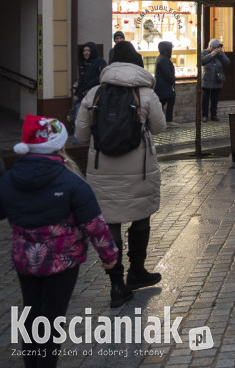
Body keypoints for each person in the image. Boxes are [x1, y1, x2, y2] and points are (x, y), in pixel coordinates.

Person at [0, 116, 119, 367]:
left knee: (31, 314)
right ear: (59, 145)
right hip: (61, 265)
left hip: (25, 262)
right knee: (51, 319)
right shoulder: (71, 182)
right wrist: (110, 257)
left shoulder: (9, 180)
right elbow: (95, 225)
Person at [75, 40, 166, 308]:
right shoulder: (146, 94)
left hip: (102, 170)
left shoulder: (94, 94)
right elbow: (159, 128)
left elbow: (80, 135)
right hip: (139, 171)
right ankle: (137, 272)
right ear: (136, 62)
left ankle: (116, 284)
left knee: (110, 224)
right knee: (140, 218)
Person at [70, 42, 106, 137]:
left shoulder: (99, 61)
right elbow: (81, 81)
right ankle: (77, 140)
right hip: (82, 96)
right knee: (78, 119)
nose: (86, 53)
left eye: (88, 50)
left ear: (93, 51)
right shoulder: (83, 64)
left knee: (92, 120)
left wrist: (90, 84)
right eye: (84, 50)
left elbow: (102, 76)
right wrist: (76, 94)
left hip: (95, 95)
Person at [201, 38, 229, 122]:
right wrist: (211, 55)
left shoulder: (220, 53)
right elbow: (201, 61)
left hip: (217, 81)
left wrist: (221, 54)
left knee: (215, 99)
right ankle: (204, 115)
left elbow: (227, 62)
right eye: (212, 47)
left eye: (215, 47)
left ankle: (214, 115)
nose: (214, 49)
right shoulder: (204, 52)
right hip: (206, 80)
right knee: (205, 99)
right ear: (209, 46)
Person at [154, 41, 177, 127]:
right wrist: (172, 81)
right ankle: (167, 121)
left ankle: (162, 121)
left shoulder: (161, 58)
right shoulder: (164, 59)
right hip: (165, 86)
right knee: (169, 100)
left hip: (161, 86)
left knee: (162, 103)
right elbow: (167, 73)